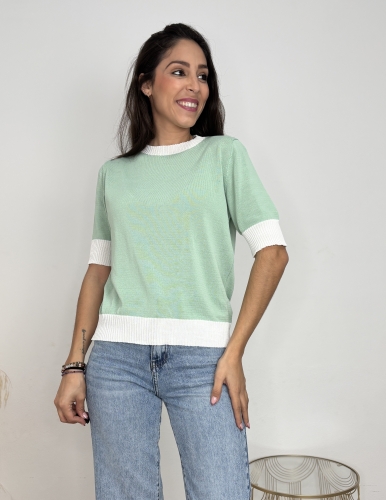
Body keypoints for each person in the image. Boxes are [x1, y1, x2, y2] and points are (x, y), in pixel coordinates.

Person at [54, 22, 289, 500]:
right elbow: (98, 273)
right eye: (179, 71)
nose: (194, 86)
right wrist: (74, 366)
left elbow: (273, 253)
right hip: (116, 360)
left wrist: (234, 351)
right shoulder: (114, 174)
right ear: (146, 83)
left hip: (203, 360)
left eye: (203, 76)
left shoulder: (224, 155)